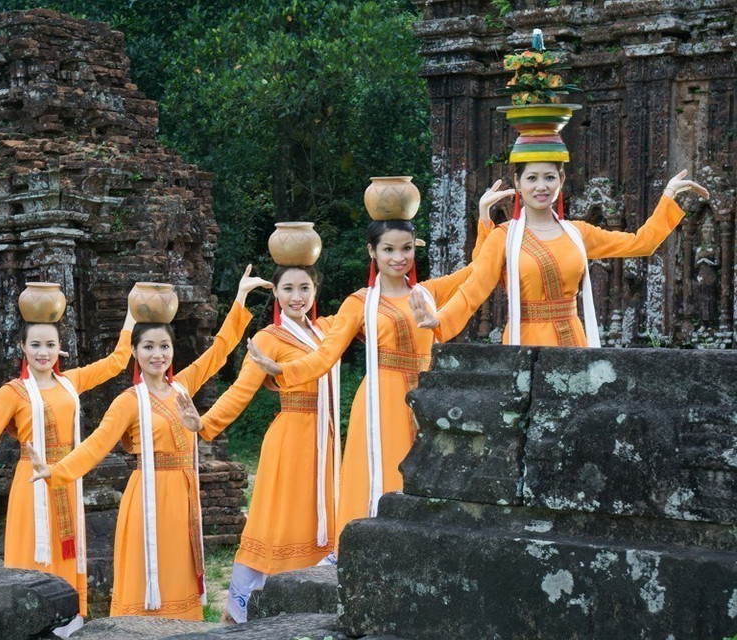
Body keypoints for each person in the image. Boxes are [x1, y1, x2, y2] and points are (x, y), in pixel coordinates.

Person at [27, 267, 270, 621]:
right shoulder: (128, 401)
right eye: (149, 347)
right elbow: (95, 445)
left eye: (164, 346)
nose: (158, 354)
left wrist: (240, 298)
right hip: (148, 499)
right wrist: (55, 471)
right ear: (135, 351)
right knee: (148, 579)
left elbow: (218, 353)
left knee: (177, 573)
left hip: (183, 497)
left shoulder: (182, 386)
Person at [247, 215, 491, 548]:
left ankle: (423, 550)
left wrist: (484, 219)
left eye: (406, 248)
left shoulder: (428, 292)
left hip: (427, 397)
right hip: (382, 401)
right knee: (386, 475)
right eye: (388, 249)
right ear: (372, 252)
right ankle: (374, 549)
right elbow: (326, 355)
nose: (398, 257)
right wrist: (282, 370)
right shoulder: (359, 303)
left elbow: (478, 272)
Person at [0, 285, 135, 635]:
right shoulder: (12, 392)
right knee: (33, 556)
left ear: (60, 348)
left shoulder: (70, 382)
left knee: (66, 551)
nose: (43, 352)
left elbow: (117, 362)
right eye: (35, 345)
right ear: (23, 347)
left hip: (66, 478)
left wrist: (131, 318)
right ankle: (30, 625)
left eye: (49, 345)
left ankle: (68, 624)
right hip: (31, 484)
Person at [197, 235, 340, 621]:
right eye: (288, 288)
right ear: (274, 292)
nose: (297, 296)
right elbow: (240, 391)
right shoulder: (268, 339)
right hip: (291, 438)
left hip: (326, 441)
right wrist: (204, 423)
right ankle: (252, 608)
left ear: (315, 290)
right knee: (280, 521)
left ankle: (315, 603)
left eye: (305, 288)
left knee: (322, 519)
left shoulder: (326, 331)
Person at [412, 167, 708, 345]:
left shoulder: (578, 233)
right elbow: (474, 287)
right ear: (518, 182)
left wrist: (668, 196)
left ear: (561, 180)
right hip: (525, 340)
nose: (541, 186)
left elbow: (640, 244)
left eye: (549, 177)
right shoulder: (503, 236)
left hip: (573, 338)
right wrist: (440, 319)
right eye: (532, 178)